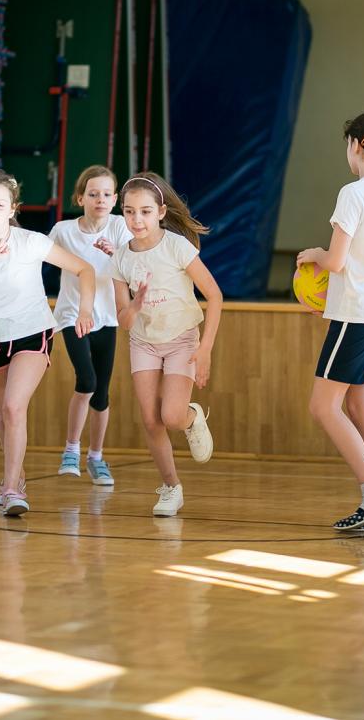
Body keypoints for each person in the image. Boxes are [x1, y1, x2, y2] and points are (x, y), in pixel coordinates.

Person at [0, 169, 96, 516]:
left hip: (32, 333)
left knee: (13, 407)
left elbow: (84, 269)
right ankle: (17, 475)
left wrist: (85, 309)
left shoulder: (31, 242)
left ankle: (11, 488)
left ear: (12, 209)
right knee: (3, 414)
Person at [297, 107, 364, 533]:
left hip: (356, 317)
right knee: (363, 408)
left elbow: (336, 261)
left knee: (323, 407)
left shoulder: (354, 193)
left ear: (358, 144)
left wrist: (314, 256)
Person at [111, 172, 221, 517]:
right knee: (150, 420)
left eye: (145, 211)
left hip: (181, 339)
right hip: (143, 342)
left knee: (171, 416)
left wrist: (205, 350)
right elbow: (123, 320)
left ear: (160, 212)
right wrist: (134, 305)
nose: (137, 219)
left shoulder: (177, 247)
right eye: (129, 211)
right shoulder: (120, 258)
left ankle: (191, 416)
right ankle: (171, 488)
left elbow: (215, 296)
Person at [47, 165, 131, 486]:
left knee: (101, 393)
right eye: (93, 194)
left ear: (115, 199)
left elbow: (135, 267)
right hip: (72, 315)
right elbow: (37, 257)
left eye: (107, 194)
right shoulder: (63, 231)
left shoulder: (120, 227)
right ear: (80, 198)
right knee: (87, 380)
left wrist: (117, 255)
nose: (100, 200)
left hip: (107, 319)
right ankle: (71, 450)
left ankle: (96, 457)